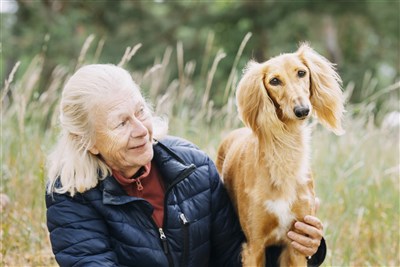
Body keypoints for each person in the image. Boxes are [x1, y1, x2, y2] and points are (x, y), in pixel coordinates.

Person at [45, 64, 326, 267]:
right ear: (89, 142)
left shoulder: (194, 167)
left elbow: (234, 256)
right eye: (121, 123)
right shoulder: (70, 194)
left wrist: (303, 247)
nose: (141, 129)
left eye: (140, 110)